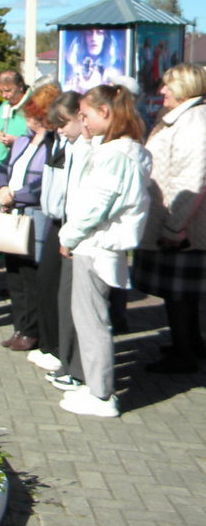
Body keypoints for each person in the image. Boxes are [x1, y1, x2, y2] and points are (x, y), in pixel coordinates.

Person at [57, 84, 151, 418]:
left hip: (97, 244)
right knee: (92, 317)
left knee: (91, 320)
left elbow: (96, 204)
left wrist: (69, 235)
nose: (82, 121)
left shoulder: (115, 154)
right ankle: (96, 385)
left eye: (86, 115)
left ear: (105, 112)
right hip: (102, 244)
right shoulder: (126, 149)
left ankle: (101, 394)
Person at [133, 63, 206, 373]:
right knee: (181, 296)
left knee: (179, 295)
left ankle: (183, 354)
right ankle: (190, 344)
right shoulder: (183, 117)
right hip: (179, 223)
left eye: (168, 85)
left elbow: (191, 180)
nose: (162, 90)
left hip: (183, 228)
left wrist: (175, 228)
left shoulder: (193, 122)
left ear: (186, 88)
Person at [0, 84, 60, 352]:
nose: (28, 121)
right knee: (14, 275)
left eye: (33, 116)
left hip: (35, 217)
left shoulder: (53, 145)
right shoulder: (22, 140)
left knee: (31, 276)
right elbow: (2, 166)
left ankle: (32, 331)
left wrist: (16, 196)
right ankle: (20, 326)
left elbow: (46, 183)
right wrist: (1, 188)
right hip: (13, 215)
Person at [36, 91, 88, 382]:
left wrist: (72, 232)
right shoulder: (65, 143)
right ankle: (58, 351)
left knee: (72, 299)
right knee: (49, 286)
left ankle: (70, 361)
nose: (60, 129)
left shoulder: (86, 147)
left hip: (74, 227)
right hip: (59, 220)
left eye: (64, 123)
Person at [0, 71, 30, 213]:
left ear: (20, 86)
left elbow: (39, 137)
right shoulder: (4, 106)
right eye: (1, 91)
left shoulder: (31, 107)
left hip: (14, 167)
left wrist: (17, 141)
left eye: (8, 91)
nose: (4, 95)